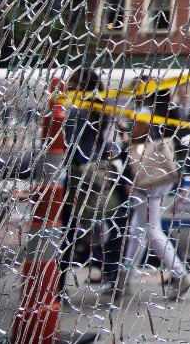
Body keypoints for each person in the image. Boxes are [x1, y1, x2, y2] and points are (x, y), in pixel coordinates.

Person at [114, 80, 190, 302]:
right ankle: (125, 277)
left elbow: (135, 143)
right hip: (162, 175)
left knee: (149, 229)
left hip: (148, 176)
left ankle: (180, 272)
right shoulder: (167, 112)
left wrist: (125, 132)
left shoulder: (145, 113)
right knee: (139, 228)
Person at [60, 68, 125, 298]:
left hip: (79, 177)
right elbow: (111, 146)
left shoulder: (76, 113)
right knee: (111, 229)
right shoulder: (103, 111)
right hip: (101, 176)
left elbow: (71, 148)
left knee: (67, 232)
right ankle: (112, 277)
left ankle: (57, 285)